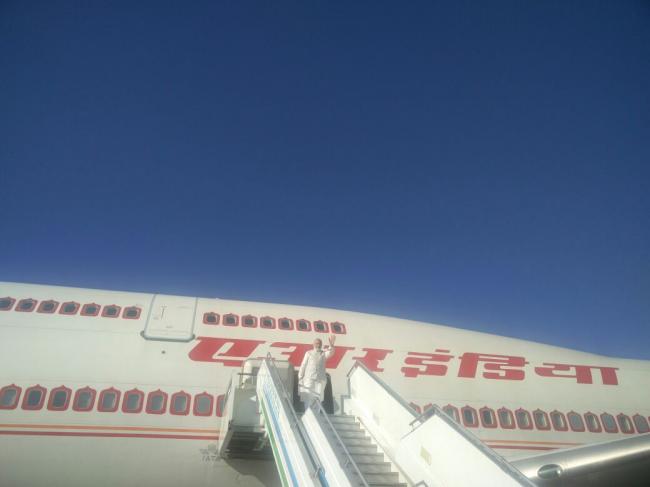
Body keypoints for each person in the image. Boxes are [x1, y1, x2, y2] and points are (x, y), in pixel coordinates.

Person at [298, 335, 336, 409]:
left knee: (318, 398)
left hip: (320, 379)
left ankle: (316, 414)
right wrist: (300, 376)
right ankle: (308, 412)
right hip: (309, 378)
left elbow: (330, 353)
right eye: (316, 343)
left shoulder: (323, 353)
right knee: (308, 396)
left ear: (321, 345)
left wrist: (331, 345)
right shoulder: (308, 353)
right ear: (313, 344)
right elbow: (303, 364)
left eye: (319, 343)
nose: (318, 345)